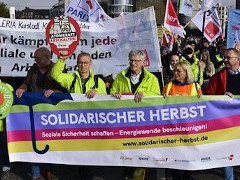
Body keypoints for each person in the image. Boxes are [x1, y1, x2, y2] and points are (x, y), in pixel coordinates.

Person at [110, 50, 161, 180]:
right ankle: (128, 171)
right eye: (131, 60)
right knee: (126, 150)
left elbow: (157, 97)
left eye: (137, 61)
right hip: (125, 121)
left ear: (143, 62)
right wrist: (115, 94)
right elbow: (112, 91)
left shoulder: (152, 79)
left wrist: (145, 96)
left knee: (140, 152)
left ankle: (138, 176)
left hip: (142, 122)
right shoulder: (120, 76)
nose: (133, 63)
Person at [16, 47, 64, 180]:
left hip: (50, 111)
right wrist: (22, 88)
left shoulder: (57, 69)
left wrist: (54, 92)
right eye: (35, 58)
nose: (35, 60)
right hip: (34, 110)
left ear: (47, 57)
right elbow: (26, 83)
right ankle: (35, 174)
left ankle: (49, 171)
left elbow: (64, 88)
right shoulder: (33, 69)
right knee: (34, 140)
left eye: (37, 58)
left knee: (49, 140)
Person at [163, 62, 202, 180]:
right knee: (174, 160)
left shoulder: (196, 87)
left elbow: (202, 107)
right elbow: (160, 106)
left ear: (186, 73)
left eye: (178, 71)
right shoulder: (169, 85)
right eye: (175, 70)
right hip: (173, 129)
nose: (175, 73)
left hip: (188, 129)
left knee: (187, 160)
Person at [206, 48, 240, 180]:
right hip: (226, 123)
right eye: (224, 57)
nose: (225, 60)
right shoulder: (217, 77)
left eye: (228, 58)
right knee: (227, 153)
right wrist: (221, 97)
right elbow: (209, 96)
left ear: (237, 59)